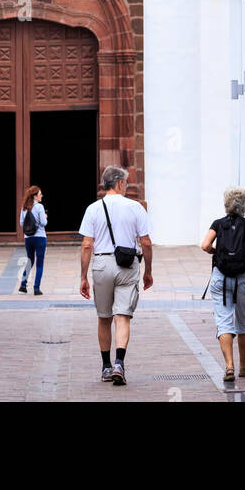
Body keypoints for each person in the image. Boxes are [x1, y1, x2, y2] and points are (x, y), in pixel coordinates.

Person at [79, 165, 153, 386]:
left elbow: (86, 246)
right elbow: (146, 242)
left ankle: (105, 367)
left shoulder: (92, 209)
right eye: (126, 183)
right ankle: (119, 363)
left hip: (101, 263)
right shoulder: (135, 207)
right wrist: (148, 270)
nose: (127, 186)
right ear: (120, 183)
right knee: (123, 316)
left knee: (104, 318)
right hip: (127, 264)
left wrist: (83, 276)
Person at [200, 187, 245, 383]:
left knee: (224, 322)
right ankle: (243, 366)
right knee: (243, 322)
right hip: (244, 277)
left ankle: (229, 366)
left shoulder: (218, 224)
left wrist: (216, 251)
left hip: (221, 277)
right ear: (244, 205)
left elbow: (204, 245)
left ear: (226, 204)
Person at [19, 185, 48, 295]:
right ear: (35, 196)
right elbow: (43, 223)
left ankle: (23, 284)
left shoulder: (24, 207)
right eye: (40, 194)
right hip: (40, 237)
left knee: (30, 261)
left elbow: (21, 223)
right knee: (39, 264)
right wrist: (45, 216)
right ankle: (36, 288)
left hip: (28, 238)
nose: (42, 196)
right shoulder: (40, 207)